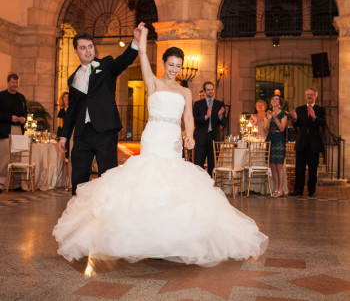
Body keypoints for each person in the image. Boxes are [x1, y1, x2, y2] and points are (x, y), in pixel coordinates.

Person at [53, 22, 268, 266]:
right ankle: (143, 236)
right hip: (154, 136)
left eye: (178, 66)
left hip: (172, 140)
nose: (175, 69)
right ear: (164, 64)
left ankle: (171, 237)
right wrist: (141, 37)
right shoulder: (153, 82)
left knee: (171, 186)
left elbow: (188, 117)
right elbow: (141, 55)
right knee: (148, 183)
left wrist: (189, 134)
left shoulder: (186, 92)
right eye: (171, 64)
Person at [58, 30, 140, 195]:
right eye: (83, 47)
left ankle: (108, 213)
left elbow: (122, 63)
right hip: (82, 134)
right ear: (76, 51)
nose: (88, 50)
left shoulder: (106, 65)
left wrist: (135, 43)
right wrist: (65, 136)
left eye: (90, 46)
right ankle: (78, 212)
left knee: (108, 175)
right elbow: (72, 110)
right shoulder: (73, 78)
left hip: (105, 130)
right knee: (79, 176)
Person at [289, 87, 326, 197]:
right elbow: (296, 125)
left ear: (315, 96)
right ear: (305, 96)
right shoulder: (300, 109)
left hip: (314, 144)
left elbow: (323, 123)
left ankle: (311, 190)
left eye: (311, 94)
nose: (309, 96)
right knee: (299, 168)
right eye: (308, 94)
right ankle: (298, 190)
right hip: (302, 143)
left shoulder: (320, 110)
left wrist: (315, 117)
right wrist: (295, 119)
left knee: (312, 168)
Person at [0, 74, 27, 193]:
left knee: (17, 157)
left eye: (16, 82)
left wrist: (23, 119)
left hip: (18, 130)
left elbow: (25, 112)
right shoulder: (1, 96)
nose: (15, 85)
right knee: (4, 157)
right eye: (12, 82)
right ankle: (1, 184)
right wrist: (10, 117)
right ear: (8, 82)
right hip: (6, 129)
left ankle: (16, 184)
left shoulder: (21, 97)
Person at [193, 82, 226, 177]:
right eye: (208, 90)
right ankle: (198, 186)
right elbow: (194, 120)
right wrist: (205, 117)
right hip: (201, 138)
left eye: (212, 89)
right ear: (204, 91)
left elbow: (224, 123)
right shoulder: (198, 104)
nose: (211, 91)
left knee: (212, 166)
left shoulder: (219, 104)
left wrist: (220, 116)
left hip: (214, 138)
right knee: (198, 165)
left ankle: (211, 188)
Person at [264, 95, 288, 197]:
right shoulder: (268, 114)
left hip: (279, 139)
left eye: (276, 99)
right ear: (271, 102)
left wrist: (275, 118)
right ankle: (276, 189)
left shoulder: (283, 114)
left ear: (280, 103)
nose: (274, 100)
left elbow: (282, 128)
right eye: (273, 99)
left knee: (279, 166)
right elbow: (266, 128)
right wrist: (269, 119)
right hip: (271, 139)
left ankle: (281, 189)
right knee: (272, 166)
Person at [57, 92, 72, 190]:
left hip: (74, 133)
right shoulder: (62, 111)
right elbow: (60, 125)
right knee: (69, 159)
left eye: (67, 97)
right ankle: (70, 182)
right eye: (64, 97)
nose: (66, 99)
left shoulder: (73, 108)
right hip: (67, 135)